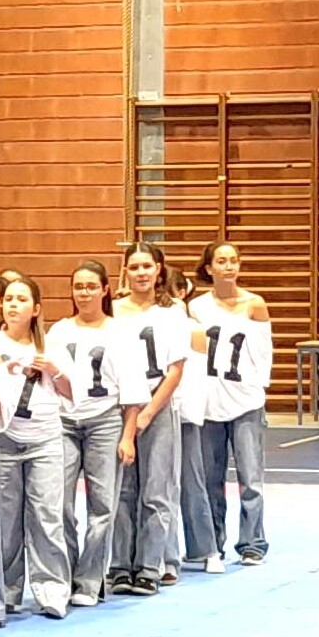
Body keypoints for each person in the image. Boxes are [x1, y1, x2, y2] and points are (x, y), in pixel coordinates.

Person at [0, 277, 72, 626]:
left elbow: (71, 393)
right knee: (5, 520)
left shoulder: (51, 346)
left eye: (21, 299)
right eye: (8, 299)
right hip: (4, 439)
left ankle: (53, 590)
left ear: (36, 309)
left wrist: (53, 370)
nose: (13, 305)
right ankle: (7, 591)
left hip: (45, 440)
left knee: (47, 516)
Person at [46, 261, 135, 609]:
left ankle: (90, 580)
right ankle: (65, 575)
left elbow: (132, 390)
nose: (84, 293)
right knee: (59, 504)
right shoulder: (59, 331)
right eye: (78, 287)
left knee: (103, 506)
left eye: (91, 286)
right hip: (64, 423)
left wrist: (128, 436)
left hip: (105, 421)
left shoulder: (119, 332)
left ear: (104, 290)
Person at [111, 244, 195, 595]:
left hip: (157, 407)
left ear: (159, 269)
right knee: (122, 491)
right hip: (118, 408)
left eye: (147, 266)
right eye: (134, 267)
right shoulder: (114, 310)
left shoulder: (173, 311)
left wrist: (146, 413)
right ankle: (120, 565)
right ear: (125, 272)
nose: (141, 273)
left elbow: (175, 370)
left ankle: (151, 565)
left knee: (157, 490)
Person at [191, 241, 275, 566]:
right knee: (210, 480)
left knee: (250, 479)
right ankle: (213, 544)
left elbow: (264, 354)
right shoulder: (196, 308)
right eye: (221, 261)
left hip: (246, 402)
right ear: (209, 268)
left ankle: (253, 543)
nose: (228, 266)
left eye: (233, 261)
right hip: (208, 402)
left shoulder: (255, 304)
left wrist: (258, 390)